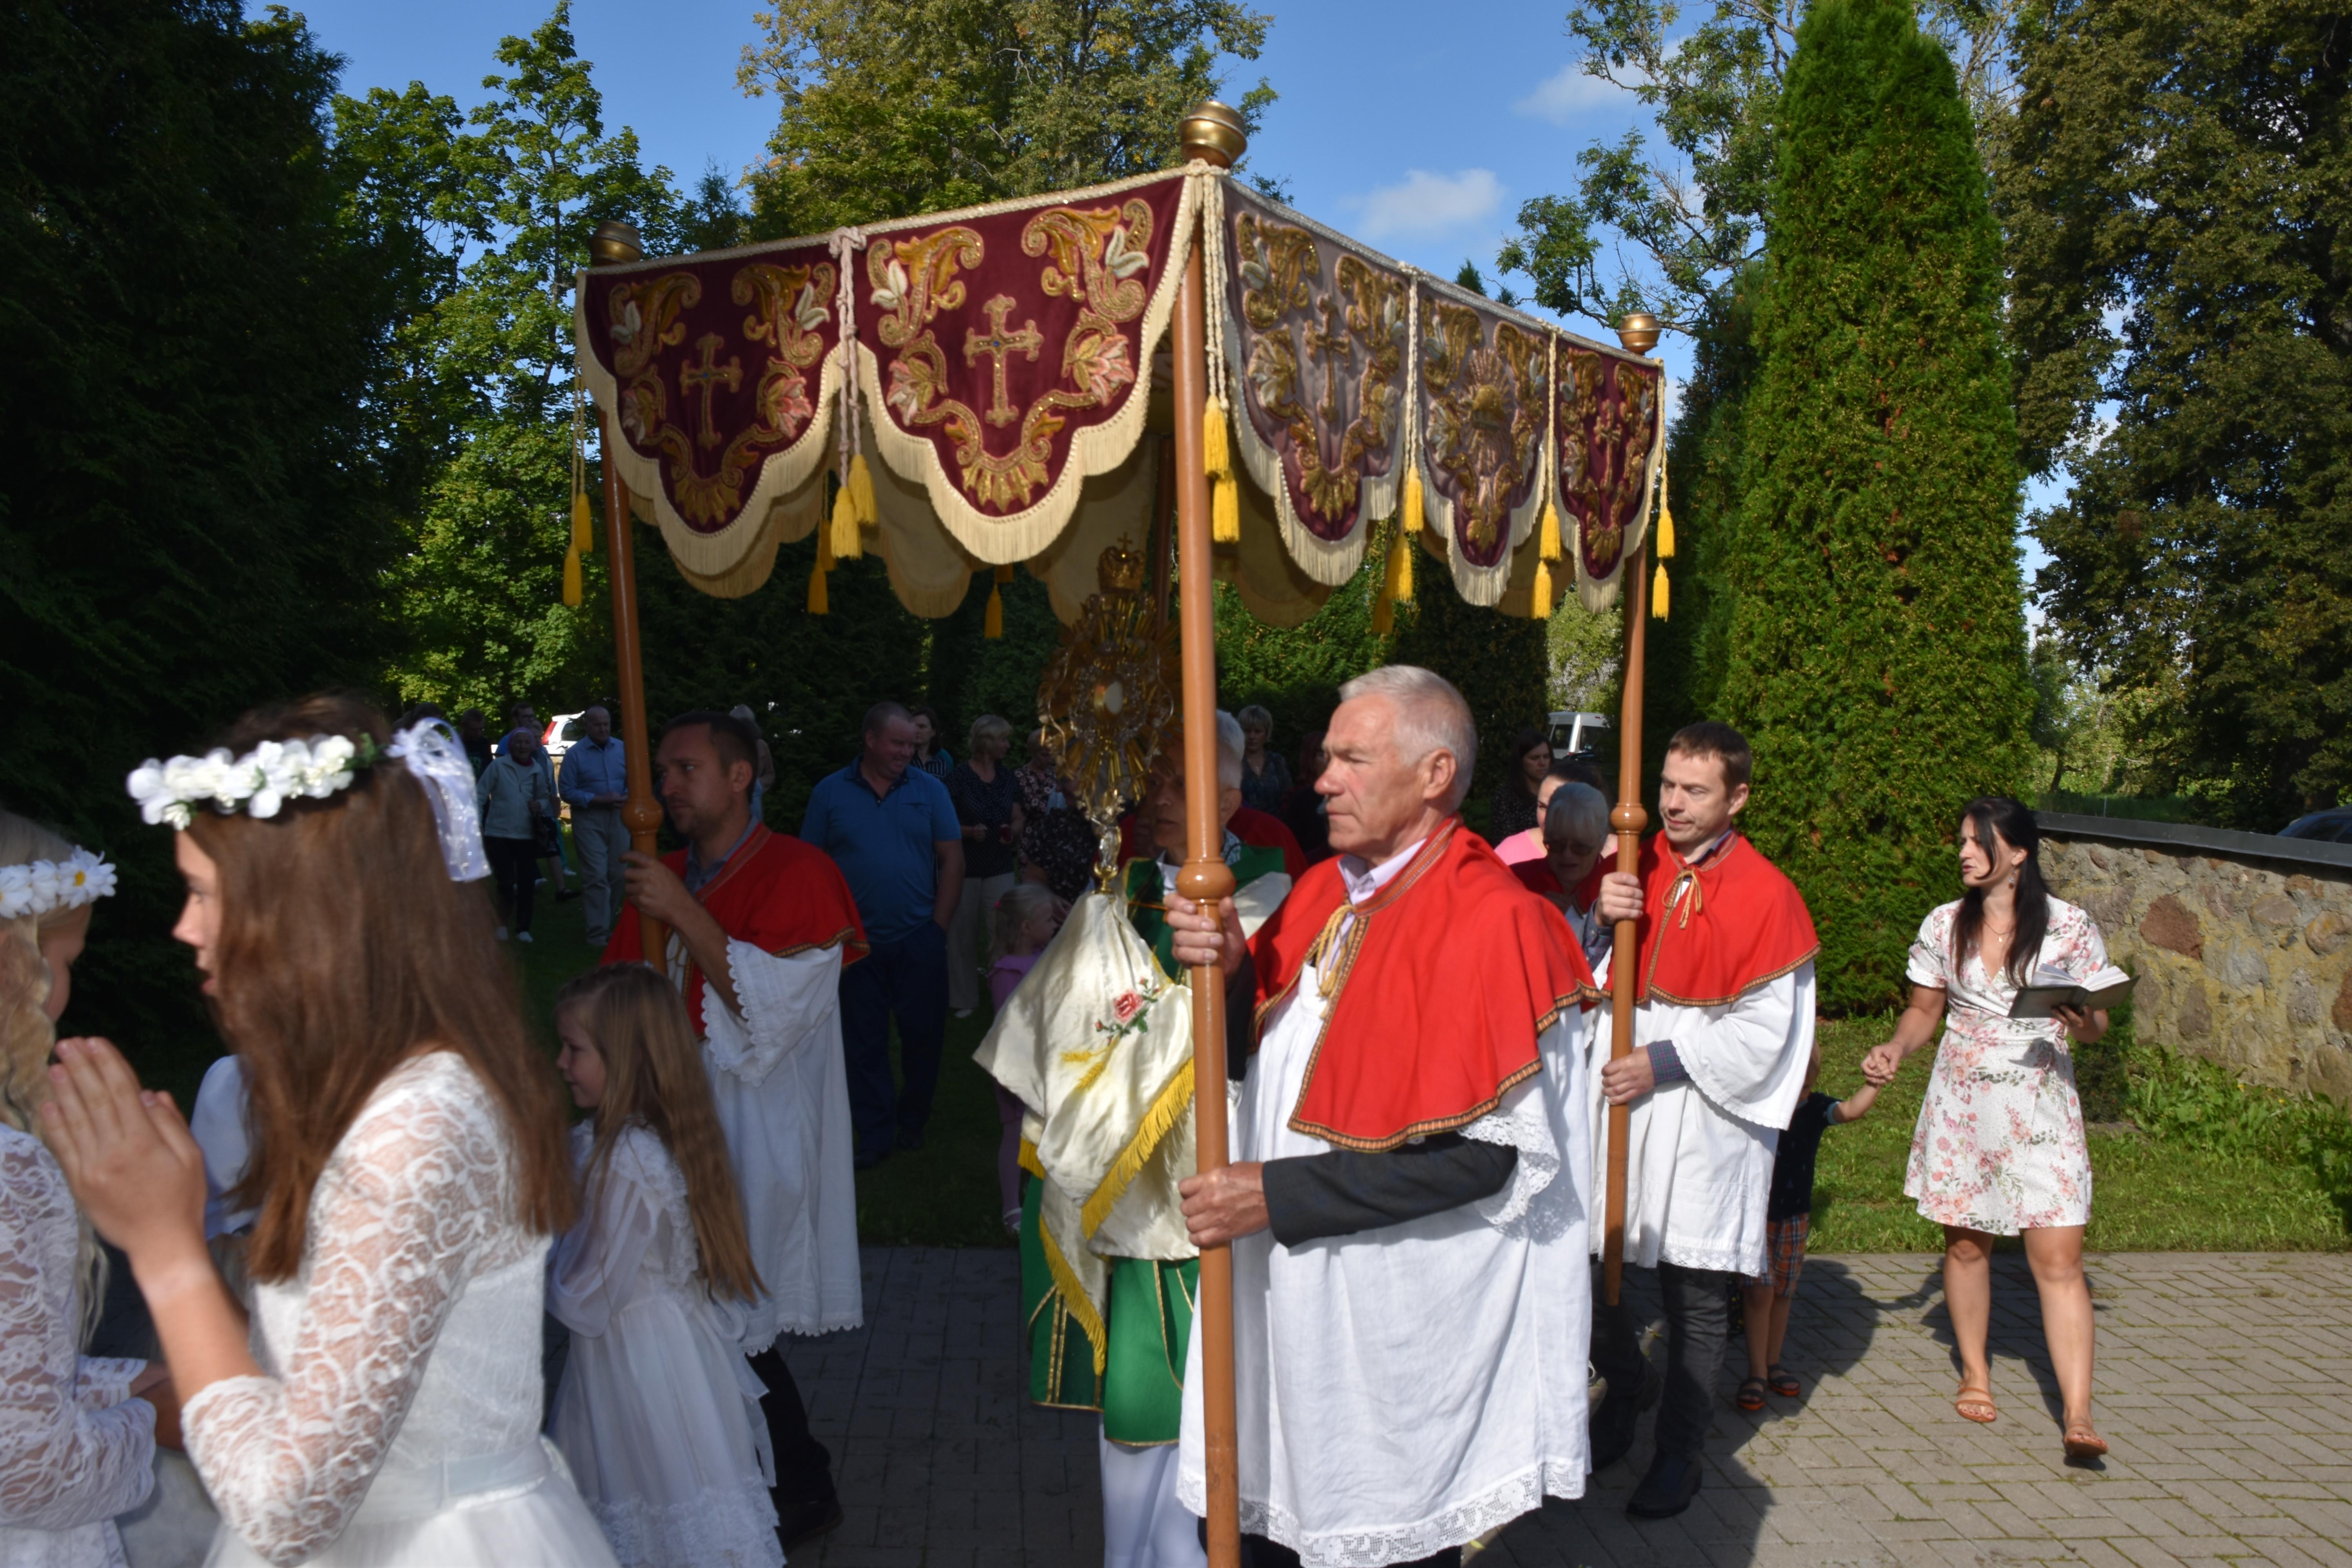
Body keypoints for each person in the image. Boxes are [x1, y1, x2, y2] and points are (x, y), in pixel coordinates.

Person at [58, 695, 615, 1566]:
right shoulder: (380, 1091)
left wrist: (164, 1243)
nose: (185, 927)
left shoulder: (417, 1124)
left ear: (306, 909)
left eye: (205, 894)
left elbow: (289, 1509)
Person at [1167, 666, 1597, 1567]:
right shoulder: (1325, 888)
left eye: (1351, 759)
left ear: (1434, 774)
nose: (1322, 778)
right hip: (1292, 1300)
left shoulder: (1493, 923)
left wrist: (1274, 1194)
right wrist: (1231, 965)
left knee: (1374, 1538)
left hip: (1394, 1320)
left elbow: (1484, 1159)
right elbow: (1267, 1050)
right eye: (1327, 758)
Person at [981, 711, 1292, 1568]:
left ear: (1228, 797)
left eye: (1178, 783)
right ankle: (1134, 1552)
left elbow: (1241, 1026)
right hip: (1104, 1170)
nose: (1157, 796)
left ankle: (1183, 1548)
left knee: (1179, 1377)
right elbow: (1059, 1016)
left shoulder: (1266, 887)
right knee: (1128, 1386)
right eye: (1153, 778)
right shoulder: (1118, 885)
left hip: (1196, 1170)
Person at [603, 708, 867, 1547]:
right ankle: (750, 1479)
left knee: (724, 1304)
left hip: (759, 1119)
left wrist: (681, 908)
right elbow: (615, 994)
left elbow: (775, 1012)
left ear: (739, 775)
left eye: (684, 769)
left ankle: (794, 1480)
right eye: (664, 771)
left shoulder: (801, 870)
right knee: (697, 1306)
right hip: (668, 1118)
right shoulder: (667, 874)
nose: (665, 787)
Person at [1588, 720, 1819, 1519]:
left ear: (1738, 796)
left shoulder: (1768, 893)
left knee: (1692, 1291)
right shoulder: (1633, 860)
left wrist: (1663, 1061)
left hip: (1703, 1109)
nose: (1674, 803)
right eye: (1667, 785)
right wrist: (1601, 913)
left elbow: (1765, 1031)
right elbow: (1589, 976)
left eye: (1695, 789)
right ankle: (1625, 1391)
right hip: (1621, 1095)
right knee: (1597, 1270)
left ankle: (1679, 1454)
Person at [1861, 796, 2122, 1461]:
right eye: (1962, 840)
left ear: (2019, 852)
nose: (1964, 852)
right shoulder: (1945, 925)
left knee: (2059, 1259)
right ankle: (1975, 1373)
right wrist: (1896, 1047)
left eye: (1978, 841)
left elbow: (2097, 1029)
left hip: (2042, 1102)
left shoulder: (2070, 927)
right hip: (1966, 1100)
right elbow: (1924, 1011)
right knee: (1968, 1247)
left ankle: (2079, 1413)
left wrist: (2081, 1019)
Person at [546, 964, 782, 1568]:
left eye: (574, 1050)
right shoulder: (619, 1142)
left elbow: (585, 1299)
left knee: (660, 1502)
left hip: (641, 1369)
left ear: (626, 1058)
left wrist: (512, 1256)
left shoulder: (626, 1158)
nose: (560, 1064)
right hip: (646, 1356)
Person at [0, 811, 160, 1567]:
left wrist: (129, 1380)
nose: (65, 992)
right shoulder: (10, 1169)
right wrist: (154, 1417)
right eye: (66, 961)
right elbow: (28, 1468)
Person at [798, 702, 964, 1168]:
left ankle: (913, 1121)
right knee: (862, 1040)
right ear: (870, 739)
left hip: (918, 937)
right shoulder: (830, 793)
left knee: (923, 1038)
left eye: (912, 744)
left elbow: (952, 859)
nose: (907, 752)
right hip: (855, 944)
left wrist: (938, 928)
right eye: (898, 743)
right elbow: (812, 868)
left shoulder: (930, 790)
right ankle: (875, 1133)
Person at [1735, 1045, 1880, 1411]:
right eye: (1792, 1086)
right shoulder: (1757, 1107)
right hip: (1755, 1212)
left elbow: (1849, 1111)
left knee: (1783, 1291)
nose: (1797, 1096)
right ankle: (1755, 1371)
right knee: (1757, 1293)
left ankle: (1773, 1363)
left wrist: (1874, 1084)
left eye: (1805, 1088)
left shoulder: (1814, 1108)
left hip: (1795, 1215)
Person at [984, 883, 1066, 1234]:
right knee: (1015, 1131)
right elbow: (1008, 1021)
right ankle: (1011, 1207)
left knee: (1044, 1127)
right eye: (1048, 920)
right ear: (1025, 928)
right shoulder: (1007, 970)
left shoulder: (1045, 958)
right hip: (1018, 1063)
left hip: (1047, 1060)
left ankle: (1041, 1194)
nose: (1054, 926)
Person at [946, 715, 1025, 1017]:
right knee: (962, 934)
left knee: (1002, 932)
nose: (1008, 745)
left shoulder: (1008, 778)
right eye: (1003, 739)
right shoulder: (958, 778)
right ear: (987, 742)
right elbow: (943, 821)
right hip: (964, 866)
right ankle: (964, 999)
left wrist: (1015, 828)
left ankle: (1003, 994)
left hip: (1000, 864)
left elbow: (1018, 814)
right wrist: (968, 832)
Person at [1511, 781, 1612, 966]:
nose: (1567, 855)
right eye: (1556, 845)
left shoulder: (1615, 889)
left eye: (1580, 847)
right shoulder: (1514, 881)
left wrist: (1581, 921)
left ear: (1602, 840)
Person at [561, 705, 630, 950]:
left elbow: (634, 780)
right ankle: (597, 934)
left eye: (606, 724)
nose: (602, 729)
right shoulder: (576, 755)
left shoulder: (622, 749)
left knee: (619, 874)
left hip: (619, 817)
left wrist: (626, 796)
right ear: (587, 727)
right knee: (596, 876)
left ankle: (607, 922)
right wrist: (597, 799)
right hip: (590, 818)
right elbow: (566, 791)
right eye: (597, 725)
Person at [479, 725, 554, 942]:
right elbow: (480, 793)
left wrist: (539, 805)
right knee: (505, 882)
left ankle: (523, 929)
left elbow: (544, 797)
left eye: (526, 742)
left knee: (526, 883)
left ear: (533, 746)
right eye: (518, 742)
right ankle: (502, 923)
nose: (522, 746)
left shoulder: (537, 770)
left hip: (526, 834)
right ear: (511, 745)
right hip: (498, 832)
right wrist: (475, 822)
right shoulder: (498, 766)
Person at [1014, 730, 1098, 902]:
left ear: (1091, 777)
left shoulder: (1125, 824)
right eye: (1057, 780)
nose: (1058, 789)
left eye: (1065, 780)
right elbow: (1032, 879)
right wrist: (1048, 900)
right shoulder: (1056, 825)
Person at [503, 704, 574, 900]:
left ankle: (561, 888)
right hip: (525, 806)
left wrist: (554, 799)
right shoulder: (515, 749)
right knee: (525, 846)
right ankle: (525, 883)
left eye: (538, 736)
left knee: (550, 844)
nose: (535, 740)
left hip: (544, 804)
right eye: (533, 738)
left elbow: (549, 778)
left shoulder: (541, 753)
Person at [1495, 757, 1600, 867]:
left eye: (1561, 810)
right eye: (1543, 807)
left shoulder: (1615, 853)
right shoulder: (1509, 851)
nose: (1549, 818)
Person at [1485, 726, 1552, 842]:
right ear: (1521, 761)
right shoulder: (1506, 798)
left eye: (1546, 757)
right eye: (1535, 758)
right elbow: (1504, 843)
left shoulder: (1558, 794)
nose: (1542, 763)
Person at [1278, 729, 1331, 866]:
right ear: (1310, 759)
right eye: (1322, 754)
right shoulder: (1298, 798)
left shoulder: (1349, 794)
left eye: (1332, 754)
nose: (1329, 760)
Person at [1234, 705, 1291, 815]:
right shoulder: (1234, 762)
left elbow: (1288, 798)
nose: (1252, 736)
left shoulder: (1278, 762)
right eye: (1247, 731)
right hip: (1243, 826)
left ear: (1267, 733)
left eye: (1258, 731)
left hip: (1276, 826)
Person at [908, 704, 953, 781]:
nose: (917, 731)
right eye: (914, 726)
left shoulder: (943, 761)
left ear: (933, 732)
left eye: (922, 727)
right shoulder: (904, 758)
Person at [457, 708, 494, 777]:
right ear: (463, 726)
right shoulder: (454, 744)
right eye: (473, 730)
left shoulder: (485, 743)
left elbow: (490, 769)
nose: (478, 733)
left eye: (481, 729)